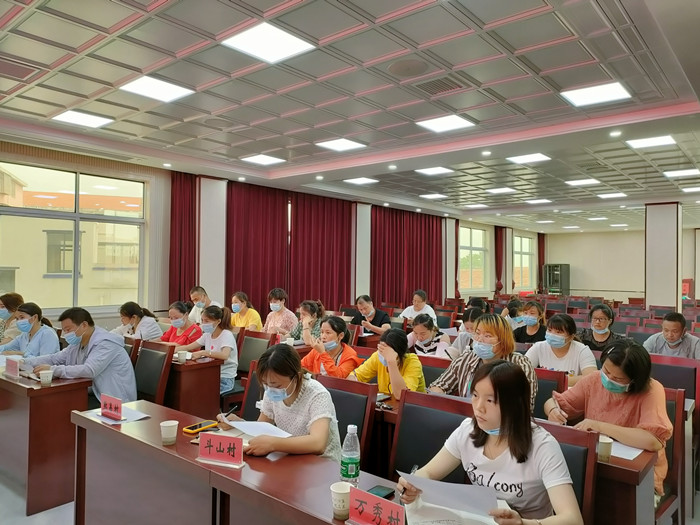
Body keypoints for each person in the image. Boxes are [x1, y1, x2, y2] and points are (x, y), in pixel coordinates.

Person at [397, 361, 583, 525]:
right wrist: (412, 483)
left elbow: (573, 519)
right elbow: (429, 472)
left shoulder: (543, 446)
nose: (479, 407)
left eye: (490, 400)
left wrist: (523, 523)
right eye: (475, 395)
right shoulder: (467, 430)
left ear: (515, 404)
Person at [545, 340, 672, 502]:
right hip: (595, 464)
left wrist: (598, 426)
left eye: (618, 378)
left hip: (639, 474)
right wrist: (553, 410)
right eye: (606, 371)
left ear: (635, 380)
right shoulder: (594, 379)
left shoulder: (651, 390)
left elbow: (652, 440)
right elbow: (555, 402)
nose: (608, 379)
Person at [217, 343, 341, 461]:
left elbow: (318, 444)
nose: (270, 389)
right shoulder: (271, 390)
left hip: (322, 464)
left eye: (276, 385)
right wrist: (238, 424)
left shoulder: (317, 395)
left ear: (296, 377)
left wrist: (273, 444)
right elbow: (262, 427)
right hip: (289, 456)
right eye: (266, 384)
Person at [24, 307, 136, 407]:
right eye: (64, 330)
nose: (66, 334)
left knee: (60, 405)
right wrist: (25, 362)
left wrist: (53, 370)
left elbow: (89, 370)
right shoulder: (78, 342)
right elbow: (55, 358)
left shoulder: (105, 343)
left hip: (112, 402)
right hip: (91, 392)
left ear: (84, 325)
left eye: (68, 329)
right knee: (52, 402)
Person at [430, 314, 538, 410]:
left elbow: (525, 405)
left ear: (503, 340)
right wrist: (438, 394)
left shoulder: (520, 364)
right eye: (477, 333)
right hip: (467, 419)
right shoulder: (466, 358)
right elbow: (439, 385)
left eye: (487, 336)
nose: (479, 339)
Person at [348, 328, 426, 400]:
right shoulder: (377, 356)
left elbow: (401, 395)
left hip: (414, 406)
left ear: (399, 352)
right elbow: (355, 376)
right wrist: (353, 381)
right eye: (381, 349)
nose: (383, 354)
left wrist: (391, 362)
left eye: (387, 351)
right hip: (386, 404)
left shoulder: (413, 362)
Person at [176, 305, 237, 393]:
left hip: (224, 378)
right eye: (202, 320)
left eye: (207, 321)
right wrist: (171, 350)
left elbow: (225, 355)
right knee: (185, 386)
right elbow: (188, 347)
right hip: (210, 374)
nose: (203, 324)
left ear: (218, 321)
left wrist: (203, 352)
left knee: (197, 391)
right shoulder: (207, 335)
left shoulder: (226, 335)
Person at [525, 314, 597, 386]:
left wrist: (552, 380)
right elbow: (523, 372)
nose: (552, 335)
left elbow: (591, 379)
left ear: (571, 337)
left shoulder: (582, 350)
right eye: (549, 330)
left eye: (558, 332)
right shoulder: (538, 347)